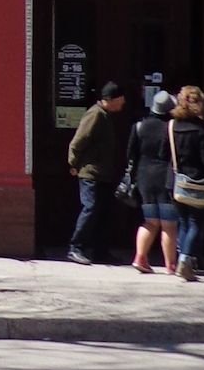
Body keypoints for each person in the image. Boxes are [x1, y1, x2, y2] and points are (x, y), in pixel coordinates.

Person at [65, 80, 125, 265]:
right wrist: (73, 163)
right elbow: (78, 141)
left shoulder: (106, 115)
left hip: (103, 173)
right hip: (90, 173)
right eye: (121, 100)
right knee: (90, 208)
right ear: (111, 99)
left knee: (104, 212)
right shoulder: (95, 114)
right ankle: (75, 248)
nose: (123, 103)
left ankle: (101, 251)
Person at [168, 86, 204, 281]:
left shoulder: (172, 125)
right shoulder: (202, 128)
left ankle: (186, 258)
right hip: (197, 179)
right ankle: (186, 259)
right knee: (196, 222)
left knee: (183, 221)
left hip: (176, 180)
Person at [127, 89, 180, 275]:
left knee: (150, 222)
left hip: (144, 178)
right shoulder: (172, 126)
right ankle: (170, 264)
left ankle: (140, 257)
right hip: (166, 177)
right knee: (169, 224)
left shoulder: (139, 126)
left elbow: (130, 154)